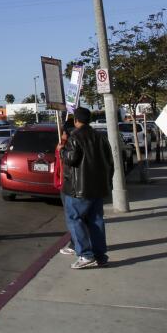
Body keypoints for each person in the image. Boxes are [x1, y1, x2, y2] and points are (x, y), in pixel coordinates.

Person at [60, 107, 114, 269]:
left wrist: (62, 150)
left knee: (75, 219)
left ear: (76, 120)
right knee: (96, 221)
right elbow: (110, 162)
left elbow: (70, 159)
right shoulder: (100, 136)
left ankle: (85, 254)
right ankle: (100, 255)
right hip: (98, 187)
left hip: (79, 188)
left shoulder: (75, 137)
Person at [56, 117, 76, 256]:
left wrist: (61, 150)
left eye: (63, 132)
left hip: (71, 185)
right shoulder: (65, 143)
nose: (62, 135)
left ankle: (76, 244)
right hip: (67, 183)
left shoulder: (72, 144)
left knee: (73, 217)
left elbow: (68, 161)